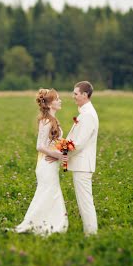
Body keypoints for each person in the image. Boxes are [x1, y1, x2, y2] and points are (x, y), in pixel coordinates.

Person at [47, 80, 98, 235]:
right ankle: (90, 232)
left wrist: (61, 154)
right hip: (81, 164)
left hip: (83, 165)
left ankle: (91, 234)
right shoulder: (84, 113)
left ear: (84, 94)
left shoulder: (88, 115)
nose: (73, 96)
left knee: (85, 202)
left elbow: (78, 144)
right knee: (83, 201)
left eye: (76, 94)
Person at [14, 88, 68, 235]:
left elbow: (54, 141)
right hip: (46, 164)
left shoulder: (53, 120)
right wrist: (57, 155)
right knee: (48, 192)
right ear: (50, 104)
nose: (60, 100)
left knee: (50, 193)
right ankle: (41, 223)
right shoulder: (45, 121)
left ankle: (48, 221)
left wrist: (64, 149)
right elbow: (40, 146)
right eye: (57, 99)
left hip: (51, 164)